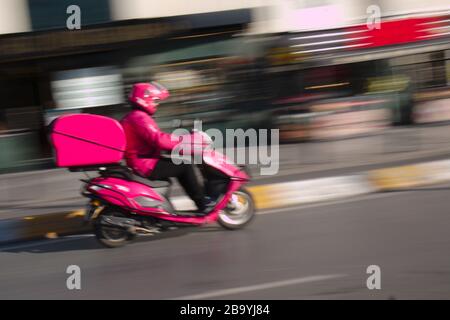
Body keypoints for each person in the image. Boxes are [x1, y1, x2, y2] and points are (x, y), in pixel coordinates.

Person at [121, 82, 214, 213]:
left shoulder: (134, 117)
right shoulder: (139, 118)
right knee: (185, 165)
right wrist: (192, 141)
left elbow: (154, 141)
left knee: (181, 161)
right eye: (155, 101)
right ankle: (203, 204)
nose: (157, 104)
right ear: (145, 98)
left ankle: (200, 201)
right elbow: (159, 140)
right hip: (145, 165)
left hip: (143, 161)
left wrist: (184, 143)